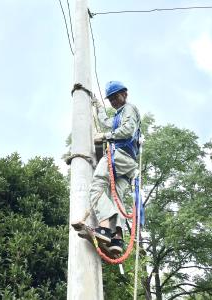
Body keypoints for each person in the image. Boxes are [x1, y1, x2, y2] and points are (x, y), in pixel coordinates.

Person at [90, 81, 141, 255]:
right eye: (110, 99)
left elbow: (127, 130)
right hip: (127, 164)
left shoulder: (129, 109)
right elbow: (106, 122)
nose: (113, 101)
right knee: (116, 197)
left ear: (125, 94)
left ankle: (104, 227)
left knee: (96, 185)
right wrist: (98, 106)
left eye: (115, 97)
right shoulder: (119, 115)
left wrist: (104, 136)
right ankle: (117, 238)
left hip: (118, 155)